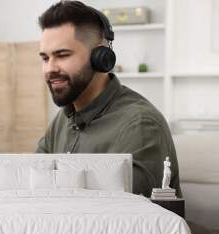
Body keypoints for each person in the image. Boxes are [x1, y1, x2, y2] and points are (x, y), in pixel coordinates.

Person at [35, 0, 180, 197]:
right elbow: (33, 186)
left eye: (62, 55)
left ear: (100, 57)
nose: (50, 68)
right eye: (45, 58)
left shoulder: (140, 125)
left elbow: (125, 217)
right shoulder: (62, 120)